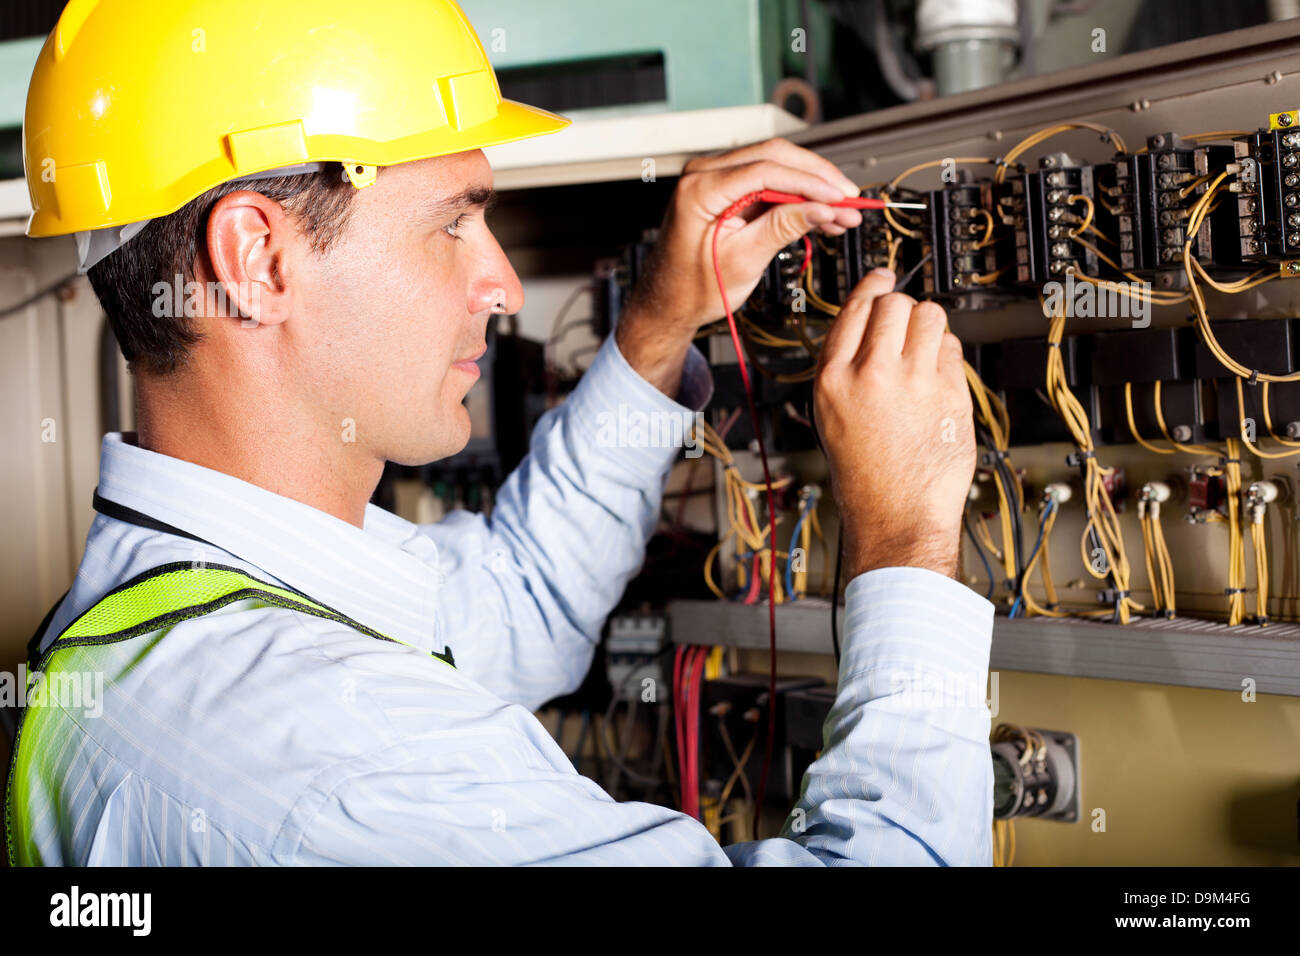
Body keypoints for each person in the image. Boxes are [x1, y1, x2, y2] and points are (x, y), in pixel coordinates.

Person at [7, 0, 992, 866]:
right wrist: (904, 539)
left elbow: (523, 597)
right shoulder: (341, 759)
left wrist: (652, 328)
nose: (503, 286)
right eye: (449, 225)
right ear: (258, 258)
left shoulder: (165, 615)